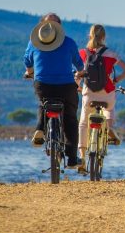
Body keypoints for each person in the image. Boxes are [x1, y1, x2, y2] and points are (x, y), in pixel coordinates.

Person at [23, 13, 85, 169]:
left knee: (43, 103)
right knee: (70, 118)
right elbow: (79, 64)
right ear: (60, 28)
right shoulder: (69, 42)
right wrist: (81, 71)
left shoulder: (34, 43)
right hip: (66, 86)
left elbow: (27, 61)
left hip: (43, 84)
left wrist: (29, 71)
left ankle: (39, 129)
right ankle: (71, 158)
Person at [77, 24, 125, 166]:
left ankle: (82, 157)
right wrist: (115, 80)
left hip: (88, 94)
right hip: (107, 93)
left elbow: (78, 74)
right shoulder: (111, 54)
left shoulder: (82, 53)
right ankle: (109, 127)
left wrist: (78, 86)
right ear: (104, 37)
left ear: (89, 36)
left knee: (83, 123)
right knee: (109, 109)